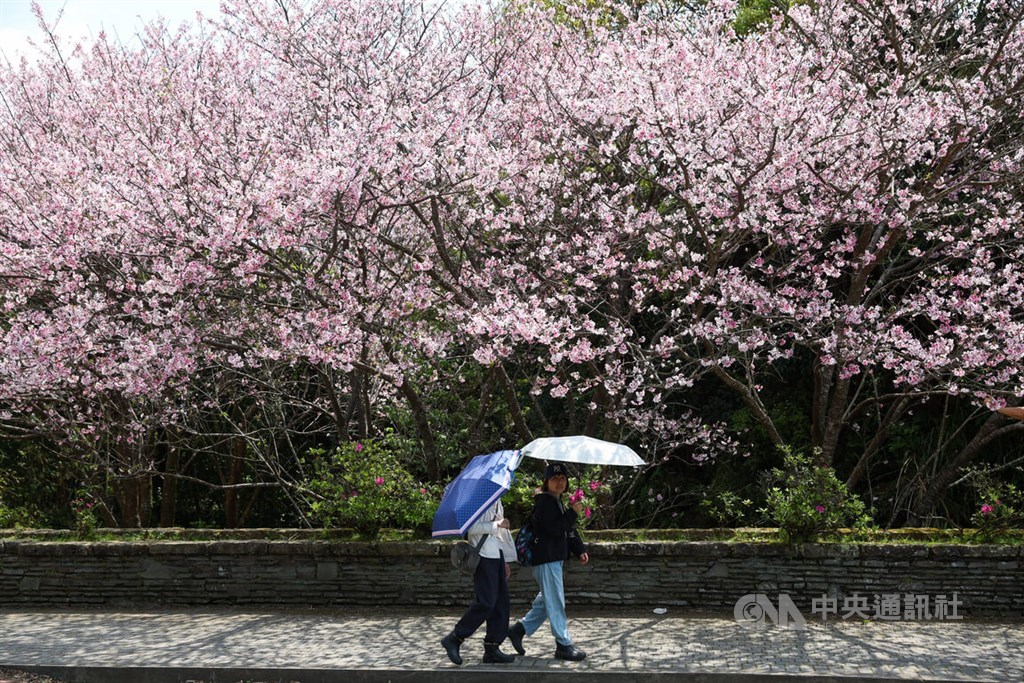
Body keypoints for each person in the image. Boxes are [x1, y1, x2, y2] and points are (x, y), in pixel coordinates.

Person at [507, 462, 589, 662]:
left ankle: (518, 630)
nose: (559, 482)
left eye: (562, 479)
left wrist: (579, 548)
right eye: (554, 479)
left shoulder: (556, 501)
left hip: (553, 558)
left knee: (546, 602)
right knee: (556, 602)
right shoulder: (544, 502)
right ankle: (563, 645)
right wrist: (573, 513)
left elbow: (566, 530)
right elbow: (555, 528)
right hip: (546, 559)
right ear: (546, 482)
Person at [440, 498, 518, 665]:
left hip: (496, 555)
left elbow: (497, 535)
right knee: (486, 602)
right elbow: (472, 528)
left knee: (500, 603)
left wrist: (504, 560)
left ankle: (492, 647)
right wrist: (498, 525)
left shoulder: (496, 497)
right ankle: (455, 637)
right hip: (483, 556)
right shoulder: (476, 499)